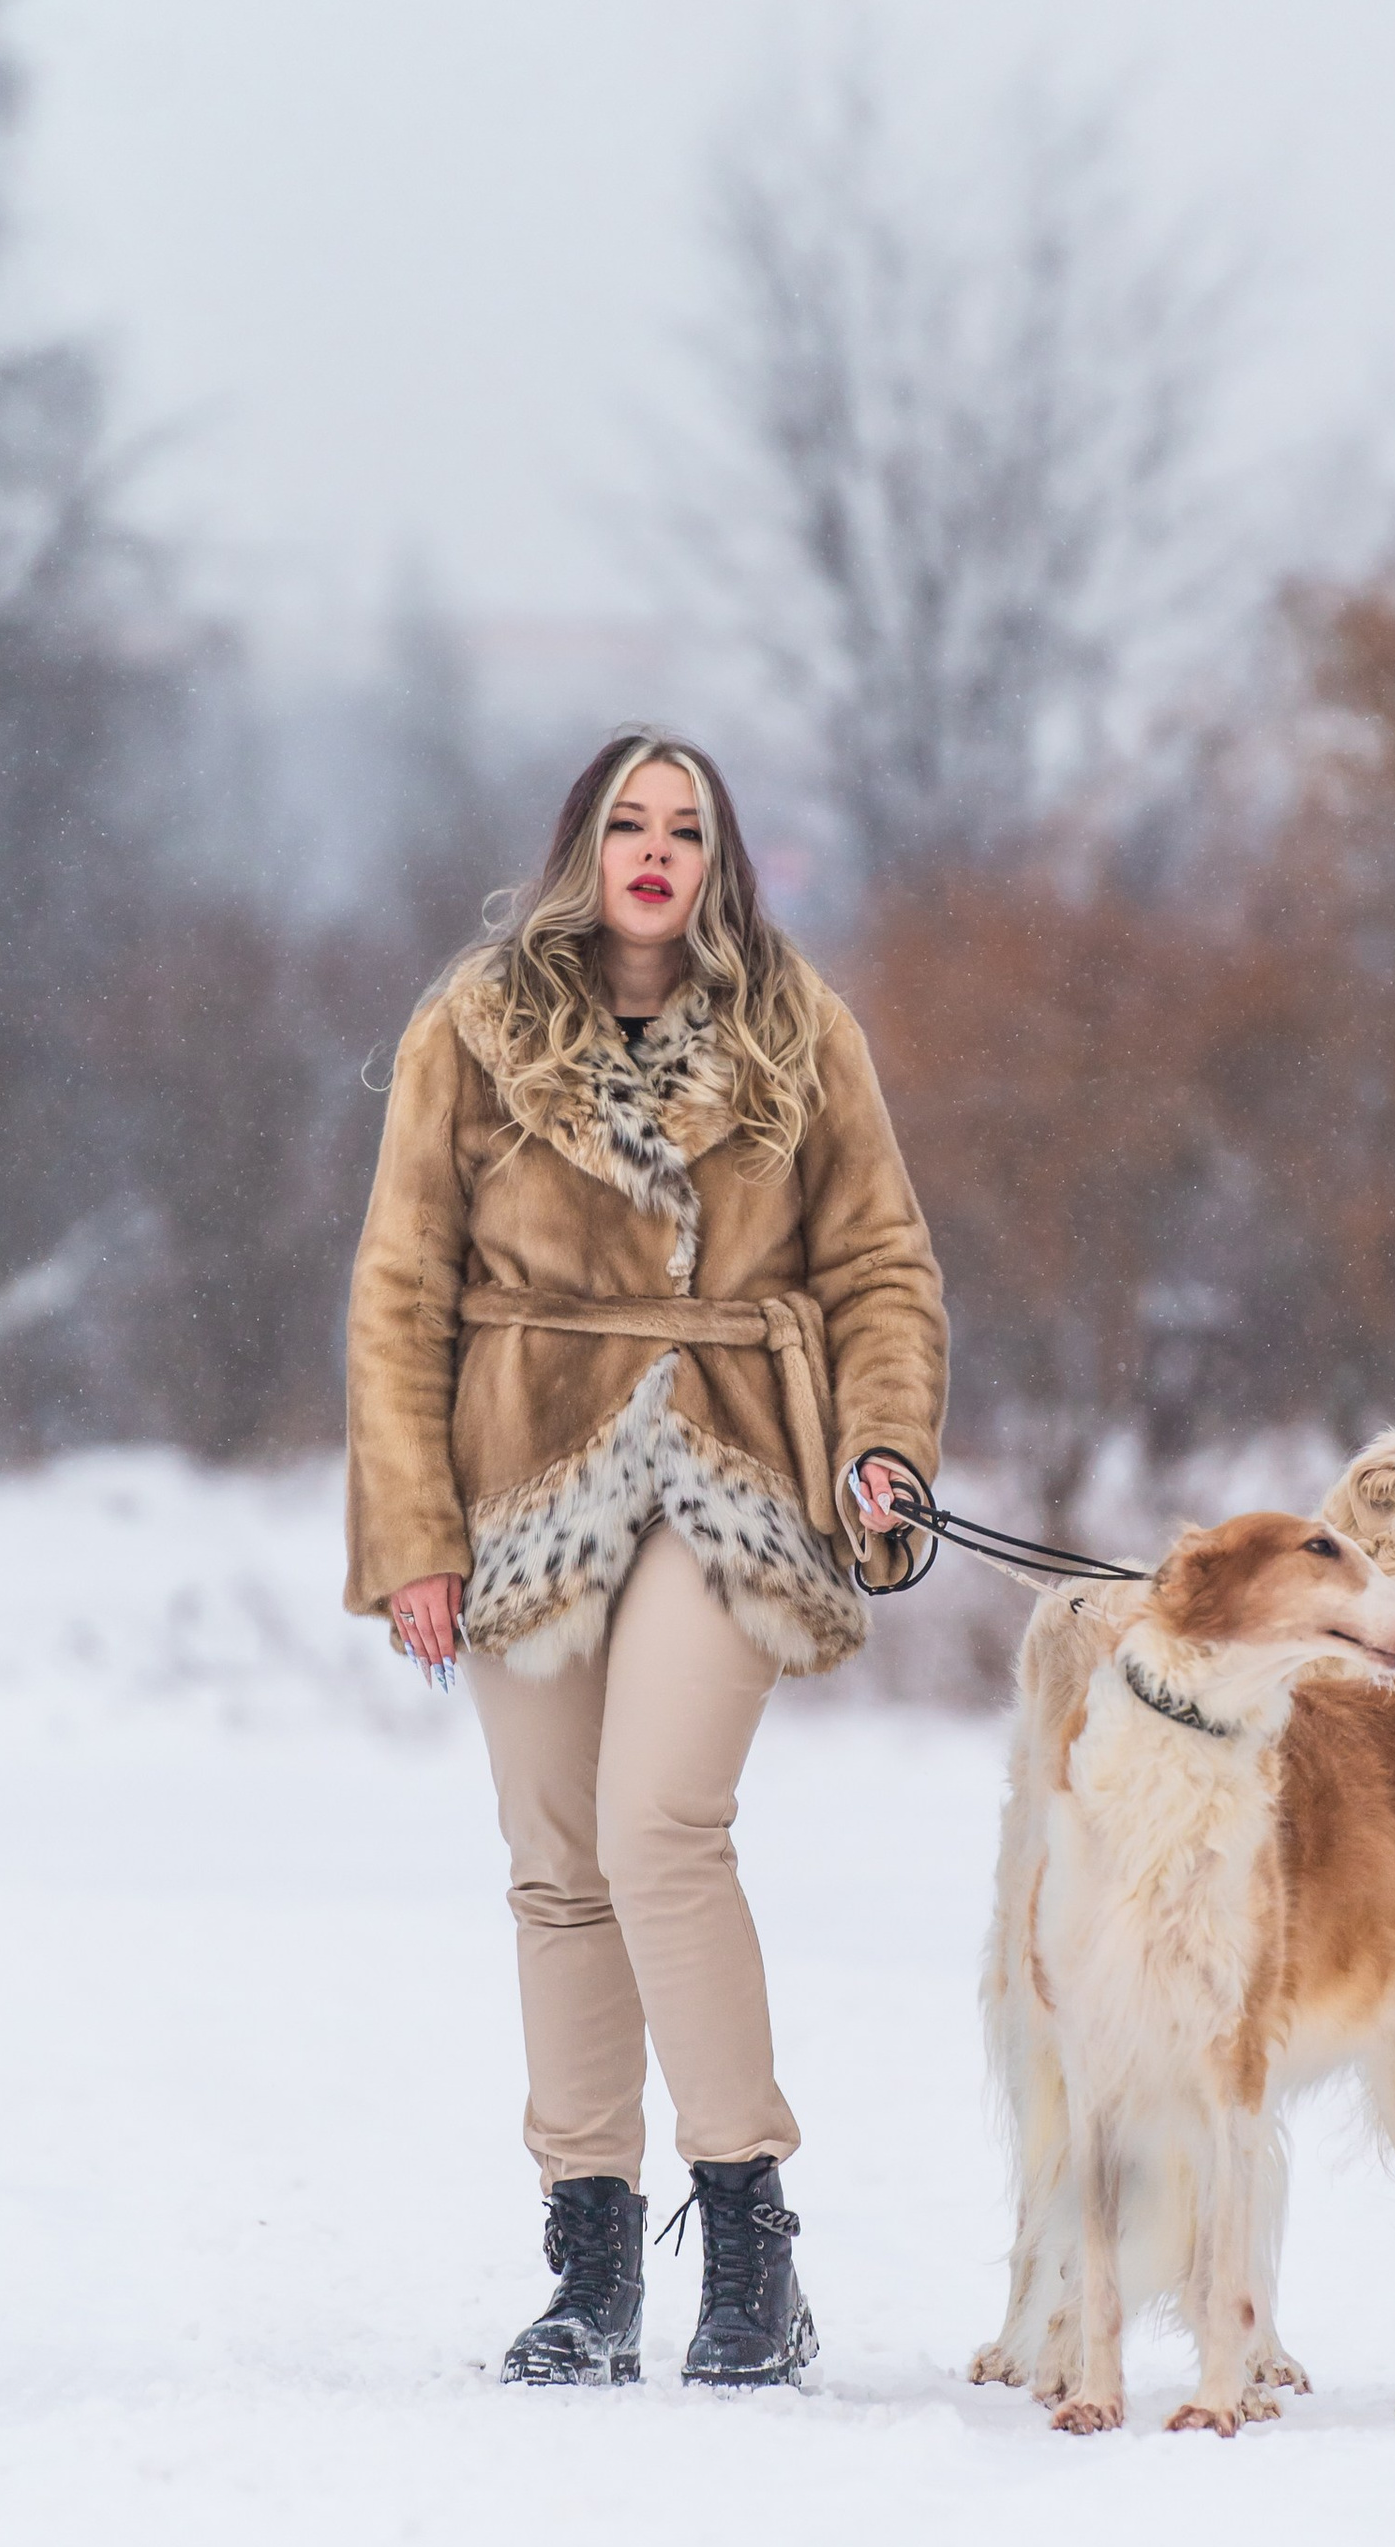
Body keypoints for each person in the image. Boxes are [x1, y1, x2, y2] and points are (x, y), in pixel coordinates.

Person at [345, 730, 947, 2388]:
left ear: (721, 856)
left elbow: (885, 1263)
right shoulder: (472, 1025)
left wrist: (883, 1441)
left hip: (735, 1454)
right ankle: (589, 2261)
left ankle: (750, 2240)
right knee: (556, 1863)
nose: (659, 849)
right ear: (583, 846)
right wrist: (410, 1533)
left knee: (658, 1823)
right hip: (520, 1470)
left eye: (689, 826)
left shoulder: (796, 1024)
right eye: (631, 821)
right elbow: (400, 1286)